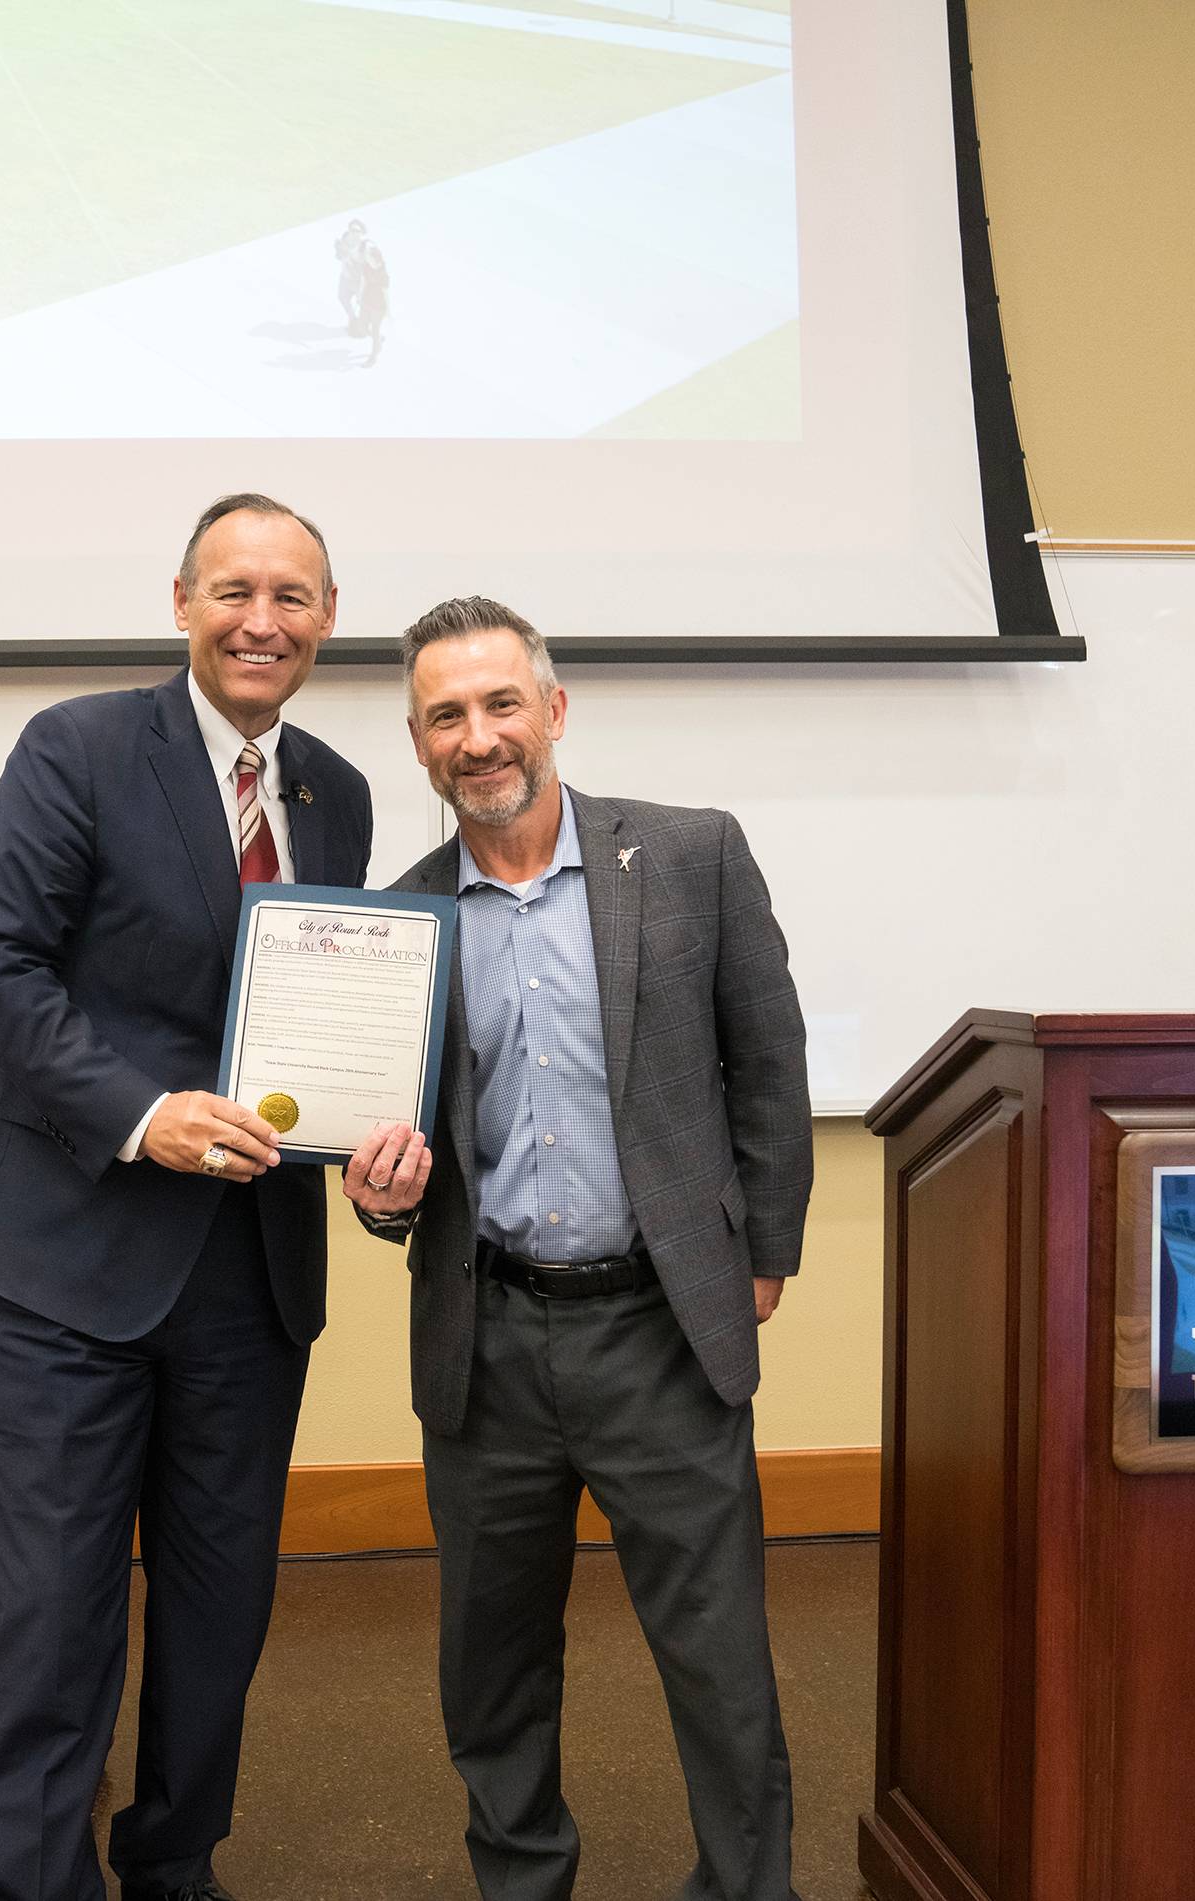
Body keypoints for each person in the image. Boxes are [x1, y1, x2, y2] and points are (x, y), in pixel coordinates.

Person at [345, 595, 812, 1901]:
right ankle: (521, 1882)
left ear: (551, 711)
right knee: (488, 1666)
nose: (477, 735)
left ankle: (745, 1887)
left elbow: (764, 1061)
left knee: (716, 1657)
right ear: (418, 741)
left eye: (499, 703)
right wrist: (375, 1195)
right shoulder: (396, 918)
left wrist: (762, 1252)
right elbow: (386, 1162)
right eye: (445, 714)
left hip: (658, 1328)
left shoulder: (685, 855)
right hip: (484, 1339)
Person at [0, 494, 375, 1901]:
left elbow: (321, 1023)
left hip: (249, 1278)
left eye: (294, 597)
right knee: (55, 1610)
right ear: (181, 601)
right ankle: (35, 1881)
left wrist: (377, 1135)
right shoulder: (74, 748)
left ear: (325, 617)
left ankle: (175, 1859)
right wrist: (140, 1115)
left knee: (217, 1606)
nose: (264, 621)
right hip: (70, 1263)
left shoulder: (332, 787)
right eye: (236, 591)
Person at [356, 242, 390, 369]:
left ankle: (373, 356)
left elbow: (385, 293)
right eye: (367, 257)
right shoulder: (366, 266)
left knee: (375, 330)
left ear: (376, 259)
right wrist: (359, 296)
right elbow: (363, 282)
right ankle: (379, 340)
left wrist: (388, 311)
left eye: (369, 257)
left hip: (378, 306)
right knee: (362, 328)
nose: (367, 259)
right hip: (366, 301)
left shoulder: (383, 274)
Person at [334, 219, 368, 329]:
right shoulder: (345, 239)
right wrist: (339, 249)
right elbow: (339, 257)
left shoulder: (364, 246)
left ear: (362, 232)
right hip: (345, 277)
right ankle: (353, 319)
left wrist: (349, 254)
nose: (353, 232)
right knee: (342, 297)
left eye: (356, 230)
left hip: (357, 280)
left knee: (362, 303)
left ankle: (368, 326)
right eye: (351, 229)